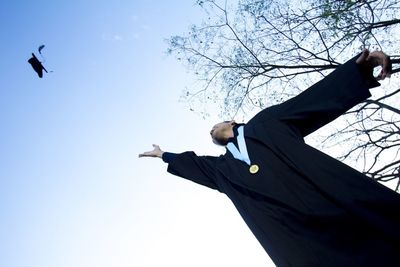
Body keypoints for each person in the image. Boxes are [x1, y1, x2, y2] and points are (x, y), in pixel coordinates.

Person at [139, 49, 400, 267]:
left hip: (333, 203)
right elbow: (193, 163)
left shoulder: (266, 123)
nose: (210, 130)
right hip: (303, 239)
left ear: (231, 121)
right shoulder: (222, 169)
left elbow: (309, 102)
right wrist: (164, 154)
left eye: (214, 125)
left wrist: (357, 71)